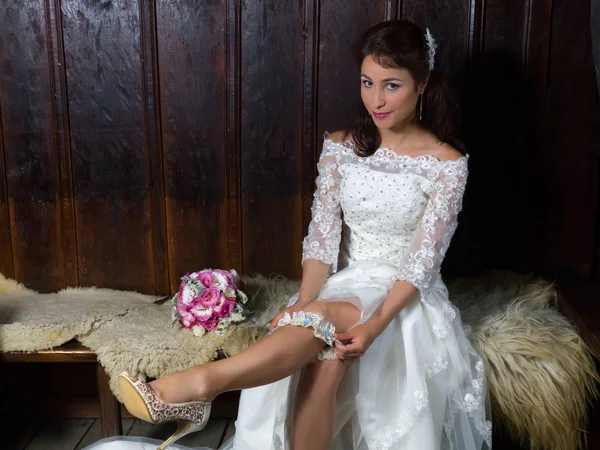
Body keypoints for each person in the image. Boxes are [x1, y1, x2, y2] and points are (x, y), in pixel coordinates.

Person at [86, 20, 492, 450]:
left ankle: (203, 383)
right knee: (325, 363)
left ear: (423, 83)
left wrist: (374, 326)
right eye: (367, 82)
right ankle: (205, 384)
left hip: (402, 299)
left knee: (329, 337)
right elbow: (321, 241)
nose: (376, 99)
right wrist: (302, 301)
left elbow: (421, 263)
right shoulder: (340, 147)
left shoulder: (446, 163)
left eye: (391, 85)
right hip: (345, 287)